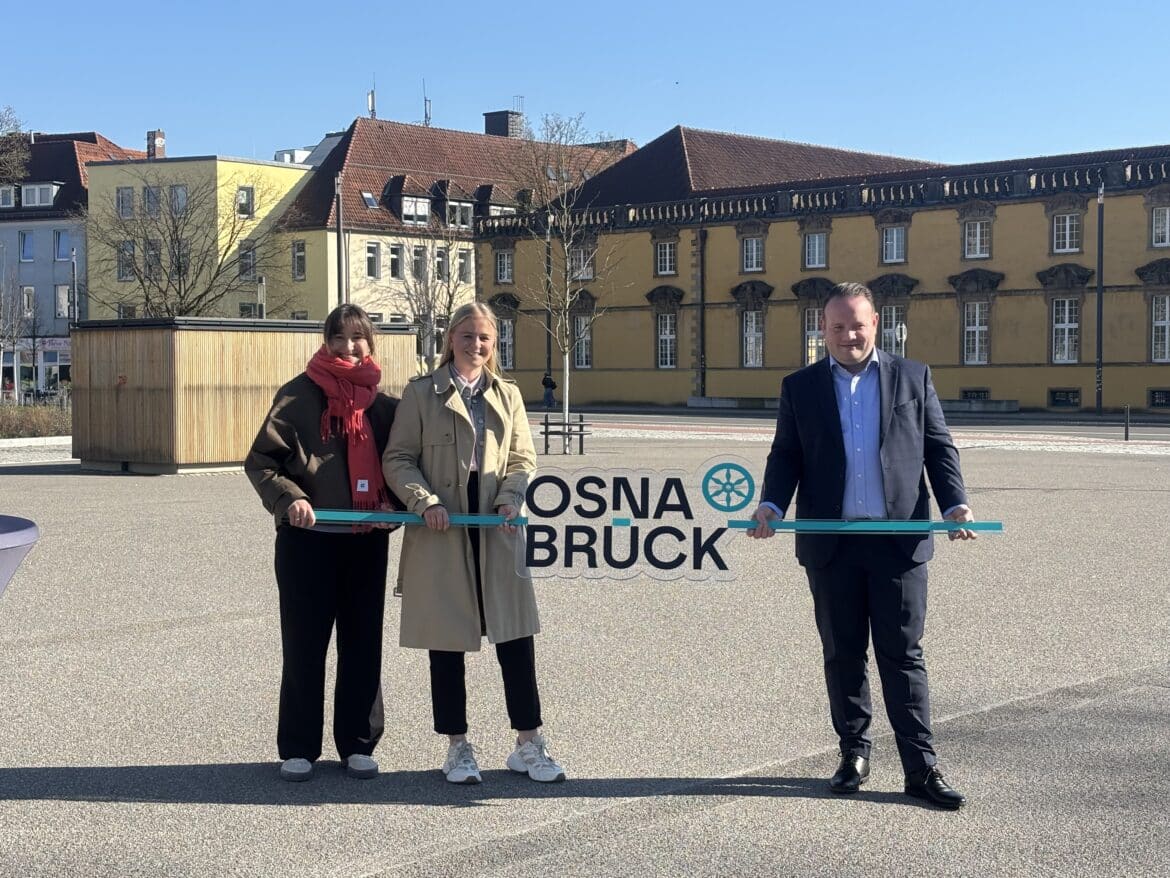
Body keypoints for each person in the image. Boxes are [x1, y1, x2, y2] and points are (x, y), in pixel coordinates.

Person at [746, 282, 976, 810]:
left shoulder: (913, 377)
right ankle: (854, 754)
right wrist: (771, 506)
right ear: (822, 330)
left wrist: (955, 504)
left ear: (877, 323)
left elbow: (938, 447)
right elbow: (786, 455)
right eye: (837, 326)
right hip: (831, 544)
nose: (849, 334)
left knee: (903, 656)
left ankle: (920, 767)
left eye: (857, 324)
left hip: (897, 542)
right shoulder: (800, 386)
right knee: (843, 653)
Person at [383, 302, 565, 785]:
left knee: (515, 637)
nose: (477, 345)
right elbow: (398, 459)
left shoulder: (508, 394)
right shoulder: (422, 393)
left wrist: (511, 499)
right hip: (442, 534)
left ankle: (528, 743)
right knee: (447, 643)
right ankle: (457, 747)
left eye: (485, 337)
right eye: (467, 336)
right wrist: (423, 503)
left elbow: (523, 458)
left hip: (497, 532)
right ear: (450, 339)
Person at [245, 304, 400, 783]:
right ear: (325, 340)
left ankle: (357, 743)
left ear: (371, 344)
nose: (348, 347)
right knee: (304, 645)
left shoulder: (386, 407)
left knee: (362, 644)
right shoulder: (297, 396)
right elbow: (262, 463)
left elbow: (401, 467)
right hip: (306, 543)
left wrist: (391, 509)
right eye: (338, 337)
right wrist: (288, 498)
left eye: (358, 338)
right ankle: (298, 746)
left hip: (364, 542)